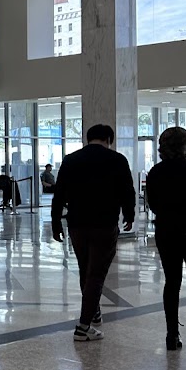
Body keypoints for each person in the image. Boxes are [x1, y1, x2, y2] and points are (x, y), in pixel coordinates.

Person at [51, 124, 135, 341]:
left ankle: (93, 310)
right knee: (96, 273)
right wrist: (129, 214)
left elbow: (59, 194)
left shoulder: (70, 160)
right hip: (104, 224)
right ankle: (83, 326)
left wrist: (55, 222)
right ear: (109, 139)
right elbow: (127, 190)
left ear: (88, 138)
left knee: (85, 269)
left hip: (77, 224)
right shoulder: (117, 160)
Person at [144, 126, 186, 351]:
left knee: (172, 281)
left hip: (167, 231)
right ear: (185, 146)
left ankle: (172, 334)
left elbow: (153, 204)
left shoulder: (156, 172)